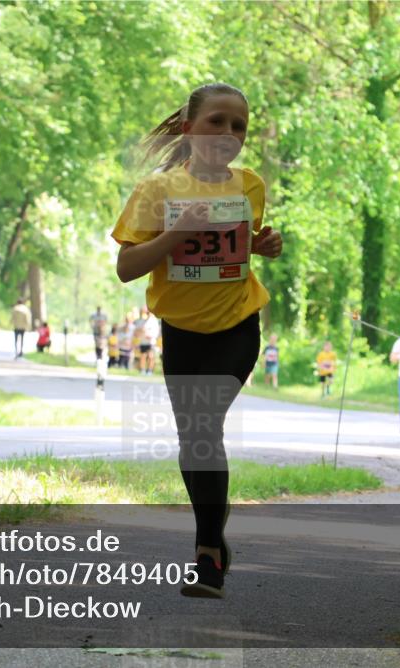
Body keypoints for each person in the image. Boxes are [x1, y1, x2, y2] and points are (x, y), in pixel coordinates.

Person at [112, 82, 282, 598]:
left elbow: (238, 247)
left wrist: (262, 244)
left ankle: (207, 556)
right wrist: (174, 235)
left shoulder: (249, 185)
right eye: (217, 122)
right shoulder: (157, 192)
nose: (228, 134)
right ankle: (214, 528)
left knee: (205, 424)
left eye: (239, 127)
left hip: (237, 323)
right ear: (189, 129)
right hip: (182, 331)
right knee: (198, 438)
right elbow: (126, 268)